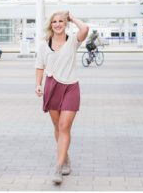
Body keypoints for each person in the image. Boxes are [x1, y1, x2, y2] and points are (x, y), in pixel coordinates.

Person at [35, 11, 89, 185]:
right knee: (57, 126)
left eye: (61, 21)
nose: (57, 24)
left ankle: (58, 167)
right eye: (54, 22)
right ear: (50, 25)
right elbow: (39, 66)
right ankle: (64, 157)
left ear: (65, 23)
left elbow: (85, 28)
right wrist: (38, 84)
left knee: (65, 125)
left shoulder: (72, 41)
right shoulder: (44, 45)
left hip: (71, 87)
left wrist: (72, 17)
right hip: (52, 87)